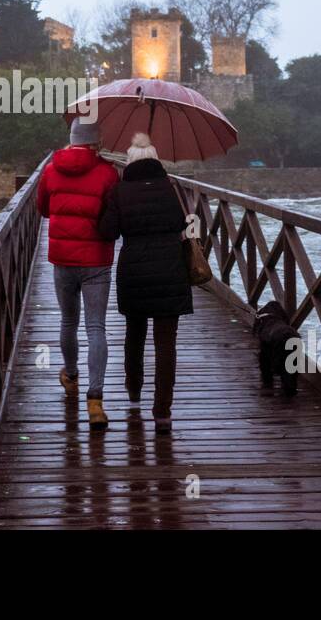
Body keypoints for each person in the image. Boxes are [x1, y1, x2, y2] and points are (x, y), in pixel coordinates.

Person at [98, 132, 192, 434]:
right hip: (171, 269)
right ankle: (163, 411)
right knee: (166, 344)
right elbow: (185, 224)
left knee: (134, 334)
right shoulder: (173, 187)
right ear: (156, 159)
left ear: (129, 162)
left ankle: (134, 389)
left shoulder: (119, 191)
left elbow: (109, 231)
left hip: (134, 270)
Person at [36, 117, 119, 430]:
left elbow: (43, 208)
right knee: (96, 326)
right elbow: (113, 214)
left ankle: (70, 375)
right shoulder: (108, 173)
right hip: (96, 259)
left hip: (62, 259)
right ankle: (95, 401)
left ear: (71, 138)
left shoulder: (50, 170)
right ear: (95, 142)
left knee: (68, 321)